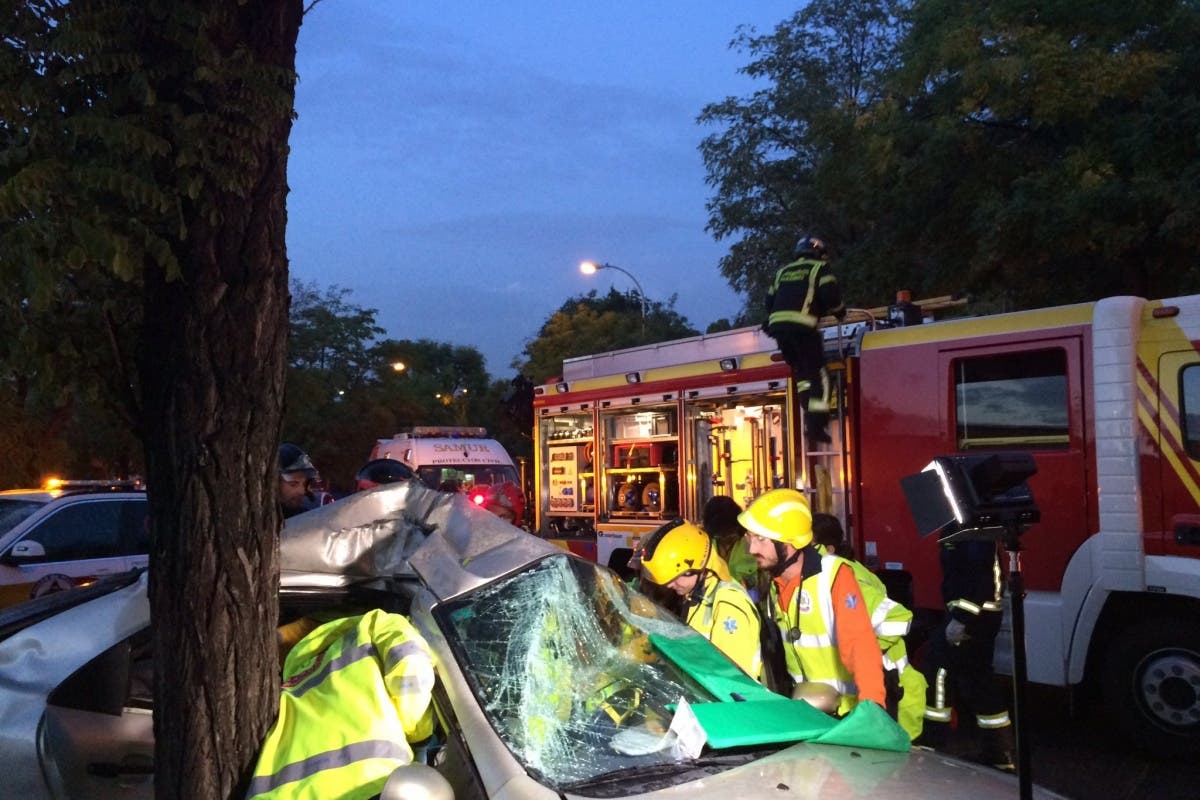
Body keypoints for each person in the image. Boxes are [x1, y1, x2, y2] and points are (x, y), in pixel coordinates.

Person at [248, 610, 436, 800]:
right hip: (367, 785)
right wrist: (420, 738)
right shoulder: (383, 623)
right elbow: (411, 674)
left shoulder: (296, 678)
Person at [738, 488, 885, 716]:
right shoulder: (775, 585)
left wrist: (873, 711)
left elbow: (860, 646)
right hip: (809, 714)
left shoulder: (834, 576)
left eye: (761, 539)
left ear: (791, 543)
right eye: (750, 538)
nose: (752, 549)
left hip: (848, 715)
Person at [811, 513, 927, 740]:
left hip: (891, 704)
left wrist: (862, 649)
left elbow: (898, 618)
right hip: (872, 705)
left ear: (829, 549)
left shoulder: (841, 577)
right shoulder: (830, 575)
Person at [921, 537, 1015, 771]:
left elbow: (978, 580)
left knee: (938, 670)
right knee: (979, 681)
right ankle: (1000, 754)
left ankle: (933, 742)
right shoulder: (969, 528)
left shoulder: (970, 532)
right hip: (979, 618)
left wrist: (961, 619)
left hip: (971, 619)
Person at [639, 518, 763, 680]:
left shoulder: (728, 604)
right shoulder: (697, 598)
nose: (670, 585)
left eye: (675, 578)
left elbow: (730, 678)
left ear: (697, 568)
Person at [762, 235, 846, 446]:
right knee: (821, 375)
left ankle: (809, 416)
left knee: (802, 374)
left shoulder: (782, 272)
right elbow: (830, 297)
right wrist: (840, 313)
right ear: (820, 253)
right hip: (802, 329)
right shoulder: (820, 269)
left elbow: (768, 301)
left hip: (778, 330)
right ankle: (816, 426)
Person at [700, 495, 761, 590]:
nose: (725, 540)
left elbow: (765, 581)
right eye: (720, 536)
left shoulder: (753, 544)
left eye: (730, 534)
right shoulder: (703, 545)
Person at [278, 442, 321, 518]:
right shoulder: (255, 522)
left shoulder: (308, 520)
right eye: (293, 484)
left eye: (305, 484)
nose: (302, 491)